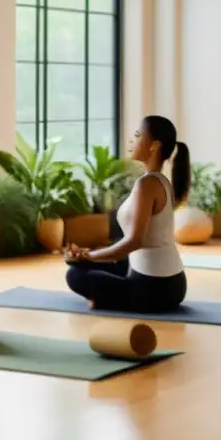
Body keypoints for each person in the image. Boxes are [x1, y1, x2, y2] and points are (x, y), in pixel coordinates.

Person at [64, 115, 189, 313]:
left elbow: (133, 241)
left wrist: (89, 256)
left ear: (153, 146)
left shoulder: (147, 185)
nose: (132, 140)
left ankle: (107, 300)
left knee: (75, 274)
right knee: (99, 263)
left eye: (138, 135)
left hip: (153, 288)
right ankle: (106, 296)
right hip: (173, 283)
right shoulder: (161, 181)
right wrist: (89, 255)